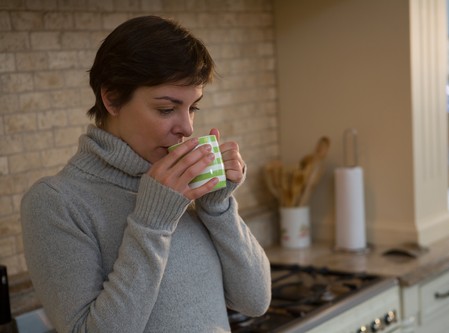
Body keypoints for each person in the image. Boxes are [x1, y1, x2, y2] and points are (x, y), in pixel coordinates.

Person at [21, 15, 271, 333]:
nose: (187, 127)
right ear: (111, 98)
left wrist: (217, 206)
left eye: (192, 107)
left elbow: (255, 301)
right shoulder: (55, 203)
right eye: (166, 109)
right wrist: (152, 223)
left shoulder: (180, 186)